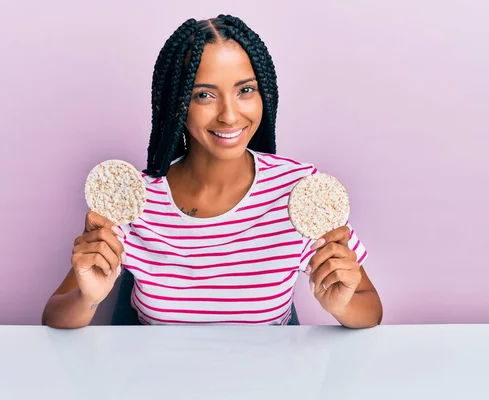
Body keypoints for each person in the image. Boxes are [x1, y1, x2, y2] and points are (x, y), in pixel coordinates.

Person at [42, 15, 382, 329]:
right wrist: (88, 297)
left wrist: (342, 306)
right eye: (204, 95)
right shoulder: (133, 201)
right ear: (177, 105)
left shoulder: (301, 193)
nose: (230, 116)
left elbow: (370, 308)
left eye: (245, 90)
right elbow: (54, 315)